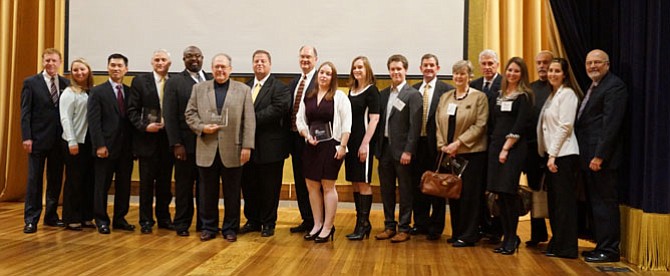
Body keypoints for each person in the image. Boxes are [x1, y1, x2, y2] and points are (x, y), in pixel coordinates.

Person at [184, 53, 255, 242]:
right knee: (207, 191)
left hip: (234, 149)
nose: (220, 70)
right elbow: (189, 114)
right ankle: (209, 227)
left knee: (232, 192)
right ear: (211, 68)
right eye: (216, 67)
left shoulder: (243, 90)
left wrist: (247, 146)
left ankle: (230, 228)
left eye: (224, 67)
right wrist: (202, 128)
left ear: (230, 69)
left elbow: (249, 120)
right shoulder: (199, 89)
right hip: (206, 148)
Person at [576, 49, 627, 263]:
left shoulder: (614, 86)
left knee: (605, 204)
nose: (592, 66)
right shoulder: (595, 86)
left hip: (601, 160)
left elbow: (610, 126)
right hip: (589, 157)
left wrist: (599, 156)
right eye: (589, 63)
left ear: (607, 64)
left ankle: (610, 249)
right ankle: (601, 245)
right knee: (596, 204)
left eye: (597, 62)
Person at [435, 60, 489, 247]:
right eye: (456, 73)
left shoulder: (479, 97)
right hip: (449, 154)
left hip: (471, 153)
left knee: (469, 196)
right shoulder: (446, 96)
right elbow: (438, 122)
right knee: (453, 194)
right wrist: (443, 145)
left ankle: (469, 234)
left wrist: (458, 143)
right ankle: (457, 231)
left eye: (463, 74)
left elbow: (480, 125)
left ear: (470, 76)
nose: (459, 77)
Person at [297, 62, 352, 243]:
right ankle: (317, 224)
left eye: (328, 74)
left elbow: (346, 123)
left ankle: (328, 226)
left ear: (333, 78)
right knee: (312, 186)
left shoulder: (340, 97)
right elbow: (300, 121)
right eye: (322, 72)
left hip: (332, 146)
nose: (323, 76)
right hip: (312, 146)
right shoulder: (309, 95)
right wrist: (306, 135)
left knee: (328, 187)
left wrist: (343, 146)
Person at [240, 50, 291, 237]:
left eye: (263, 61)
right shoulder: (245, 88)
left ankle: (268, 223)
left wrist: (249, 118)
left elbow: (277, 110)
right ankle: (252, 220)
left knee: (270, 187)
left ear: (270, 64)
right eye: (256, 61)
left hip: (271, 147)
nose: (259, 64)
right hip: (248, 146)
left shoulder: (280, 88)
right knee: (249, 185)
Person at [537, 57, 582, 259]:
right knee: (555, 204)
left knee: (564, 204)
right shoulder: (553, 95)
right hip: (552, 155)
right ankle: (557, 242)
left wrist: (552, 155)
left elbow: (565, 126)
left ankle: (567, 247)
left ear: (564, 74)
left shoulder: (568, 94)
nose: (552, 74)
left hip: (563, 155)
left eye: (557, 71)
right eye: (550, 70)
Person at [20, 48, 69, 233]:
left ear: (60, 62)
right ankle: (31, 219)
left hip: (58, 141)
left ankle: (51, 215)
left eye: (54, 60)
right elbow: (25, 112)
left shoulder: (66, 83)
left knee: (55, 180)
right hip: (37, 140)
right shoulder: (31, 83)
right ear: (43, 62)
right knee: (34, 181)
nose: (50, 64)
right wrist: (27, 137)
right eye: (47, 60)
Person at [164, 46, 211, 237]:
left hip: (208, 143)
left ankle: (204, 223)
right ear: (183, 60)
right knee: (183, 186)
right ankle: (182, 223)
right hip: (185, 144)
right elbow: (169, 114)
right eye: (189, 56)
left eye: (197, 56)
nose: (194, 59)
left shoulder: (211, 78)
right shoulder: (174, 82)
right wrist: (176, 143)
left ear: (202, 58)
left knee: (205, 186)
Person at [374, 54, 422, 243]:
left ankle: (404, 227)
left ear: (405, 71)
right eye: (392, 69)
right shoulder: (384, 93)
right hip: (384, 149)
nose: (395, 72)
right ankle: (389, 225)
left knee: (405, 189)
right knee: (386, 189)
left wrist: (409, 151)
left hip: (403, 152)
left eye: (399, 69)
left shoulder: (413, 95)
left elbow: (415, 126)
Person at [487, 57, 532, 255]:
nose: (512, 74)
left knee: (509, 193)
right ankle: (506, 236)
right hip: (496, 147)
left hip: (513, 149)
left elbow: (520, 124)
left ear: (522, 74)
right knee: (499, 195)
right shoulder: (499, 94)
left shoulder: (524, 96)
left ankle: (512, 237)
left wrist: (506, 148)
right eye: (510, 70)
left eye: (516, 71)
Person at [87, 53, 135, 234]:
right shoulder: (97, 91)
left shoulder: (130, 92)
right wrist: (99, 145)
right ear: (107, 68)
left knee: (124, 185)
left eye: (119, 66)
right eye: (112, 65)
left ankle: (120, 218)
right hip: (105, 148)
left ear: (126, 69)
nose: (116, 68)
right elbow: (94, 121)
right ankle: (101, 219)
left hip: (126, 149)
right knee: (102, 186)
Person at [127, 49, 174, 234]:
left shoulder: (174, 82)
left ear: (169, 63)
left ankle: (164, 218)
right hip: (147, 140)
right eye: (157, 59)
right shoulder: (140, 81)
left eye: (163, 60)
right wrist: (145, 126)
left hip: (167, 140)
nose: (160, 62)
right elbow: (132, 110)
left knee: (164, 184)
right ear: (151, 62)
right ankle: (146, 220)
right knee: (146, 184)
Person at [410, 54, 454, 240]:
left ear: (438, 68)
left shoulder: (447, 91)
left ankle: (436, 227)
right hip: (416, 145)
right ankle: (420, 223)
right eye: (425, 65)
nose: (428, 68)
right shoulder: (413, 90)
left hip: (436, 146)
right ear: (420, 68)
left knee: (436, 186)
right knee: (418, 185)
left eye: (431, 65)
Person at [343, 56, 379, 241]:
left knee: (364, 183)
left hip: (363, 144)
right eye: (354, 67)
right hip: (350, 144)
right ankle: (361, 223)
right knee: (355, 182)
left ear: (367, 70)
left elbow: (374, 119)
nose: (357, 70)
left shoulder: (372, 91)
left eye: (360, 67)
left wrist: (365, 144)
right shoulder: (351, 90)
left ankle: (363, 223)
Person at [470, 49, 503, 242]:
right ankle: (482, 226)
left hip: (497, 144)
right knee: (478, 187)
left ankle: (497, 230)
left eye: (491, 63)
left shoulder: (505, 84)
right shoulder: (474, 86)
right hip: (476, 146)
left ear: (497, 64)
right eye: (484, 64)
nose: (487, 67)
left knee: (495, 189)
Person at [59, 58, 95, 231]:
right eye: (75, 70)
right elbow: (65, 119)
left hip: (90, 142)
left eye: (82, 69)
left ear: (88, 70)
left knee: (89, 180)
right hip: (74, 142)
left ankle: (86, 216)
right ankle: (71, 217)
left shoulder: (91, 91)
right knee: (74, 180)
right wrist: (72, 141)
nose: (79, 73)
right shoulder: (69, 93)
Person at [288, 45, 319, 233]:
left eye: (308, 57)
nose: (305, 60)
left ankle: (319, 221)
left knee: (314, 181)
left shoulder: (320, 80)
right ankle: (307, 219)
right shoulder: (295, 83)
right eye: (302, 57)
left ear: (316, 59)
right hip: (294, 139)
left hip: (313, 139)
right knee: (300, 180)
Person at [525, 51, 553, 246]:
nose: (542, 66)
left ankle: (557, 234)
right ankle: (538, 233)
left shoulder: (558, 89)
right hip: (532, 149)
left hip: (553, 150)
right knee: (535, 190)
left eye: (546, 63)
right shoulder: (530, 89)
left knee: (554, 194)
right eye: (539, 63)